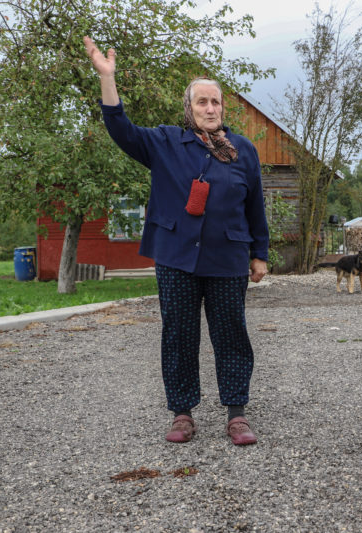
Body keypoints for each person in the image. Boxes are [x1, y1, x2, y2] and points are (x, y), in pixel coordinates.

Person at [83, 36, 269, 446]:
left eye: (215, 102)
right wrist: (107, 78)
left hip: (228, 256)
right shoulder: (165, 142)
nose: (210, 108)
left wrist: (260, 254)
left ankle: (236, 413)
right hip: (175, 257)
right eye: (202, 102)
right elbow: (120, 128)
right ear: (190, 108)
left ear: (222, 108)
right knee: (179, 336)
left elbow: (255, 205)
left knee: (231, 334)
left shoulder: (243, 150)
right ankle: (182, 413)